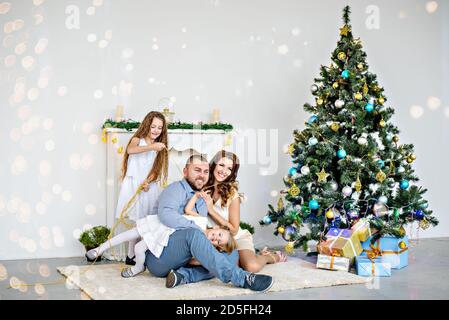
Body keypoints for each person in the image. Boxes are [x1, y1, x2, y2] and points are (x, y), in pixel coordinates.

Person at [145, 154, 274, 292]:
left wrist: (204, 249)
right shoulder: (175, 189)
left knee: (232, 256)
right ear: (185, 171)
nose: (201, 175)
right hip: (160, 257)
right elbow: (167, 215)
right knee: (194, 234)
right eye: (197, 170)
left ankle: (184, 275)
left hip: (185, 256)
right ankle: (242, 278)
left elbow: (208, 224)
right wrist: (201, 231)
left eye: (205, 171)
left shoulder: (202, 197)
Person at [202, 150, 287, 273]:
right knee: (225, 266)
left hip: (236, 238)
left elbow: (234, 229)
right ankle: (251, 254)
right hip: (215, 238)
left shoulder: (232, 194)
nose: (224, 171)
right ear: (214, 164)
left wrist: (211, 210)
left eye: (229, 168)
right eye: (221, 165)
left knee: (251, 267)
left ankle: (268, 256)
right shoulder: (202, 187)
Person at [85, 215, 236, 277]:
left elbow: (191, 258)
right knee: (132, 232)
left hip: (165, 238)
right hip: (165, 225)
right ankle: (99, 249)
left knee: (139, 247)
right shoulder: (202, 221)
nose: (215, 239)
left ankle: (138, 267)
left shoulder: (200, 244)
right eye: (219, 235)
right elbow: (187, 212)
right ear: (217, 227)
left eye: (218, 242)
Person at [114, 111, 168, 265]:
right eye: (153, 127)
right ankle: (131, 255)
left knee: (144, 221)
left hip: (147, 186)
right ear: (147, 125)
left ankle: (133, 254)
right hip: (133, 184)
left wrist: (148, 182)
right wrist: (152, 147)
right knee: (137, 221)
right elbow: (131, 150)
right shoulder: (137, 140)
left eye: (159, 128)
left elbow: (155, 170)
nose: (156, 130)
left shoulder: (158, 148)